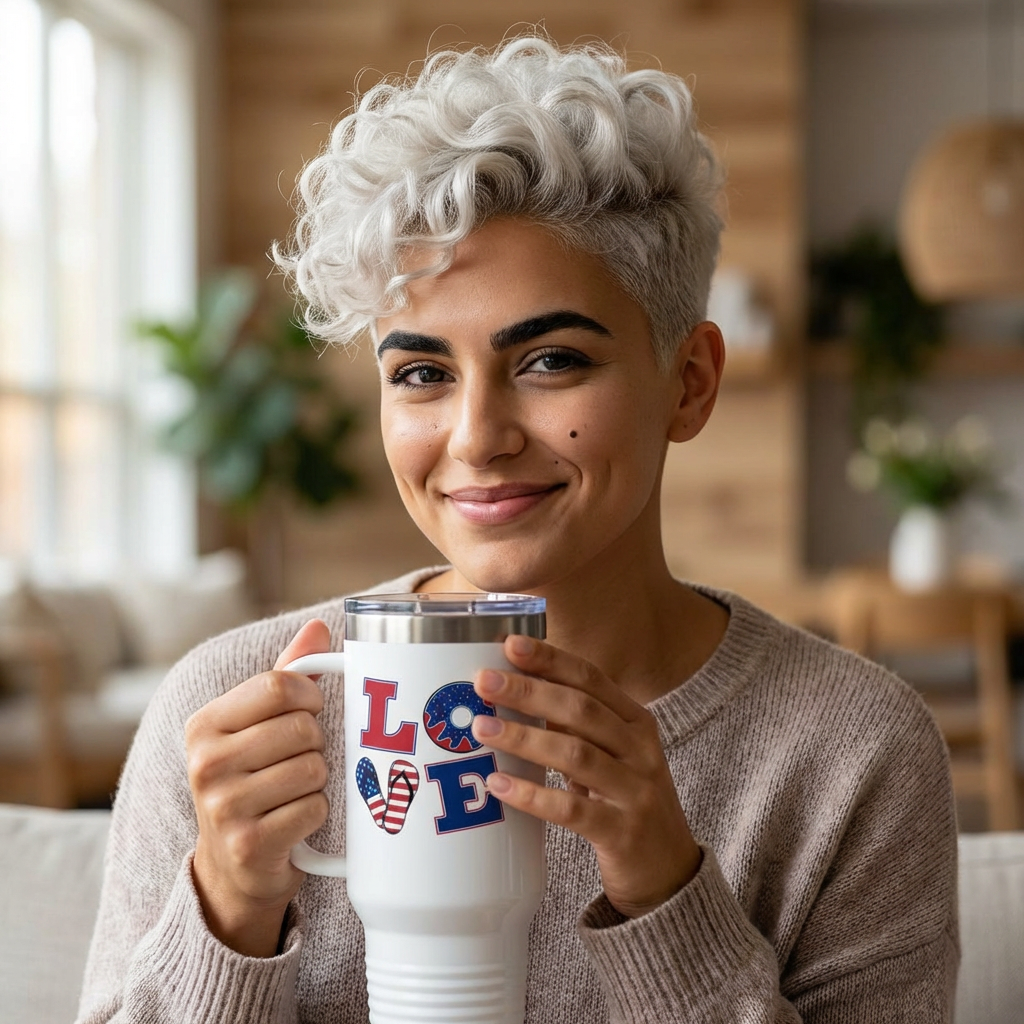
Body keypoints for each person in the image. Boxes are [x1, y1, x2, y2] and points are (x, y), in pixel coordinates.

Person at [77, 36, 958, 1023]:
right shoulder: (229, 710)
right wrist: (230, 912)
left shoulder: (851, 754)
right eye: (420, 373)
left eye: (550, 361)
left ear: (690, 381)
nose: (477, 436)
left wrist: (668, 899)